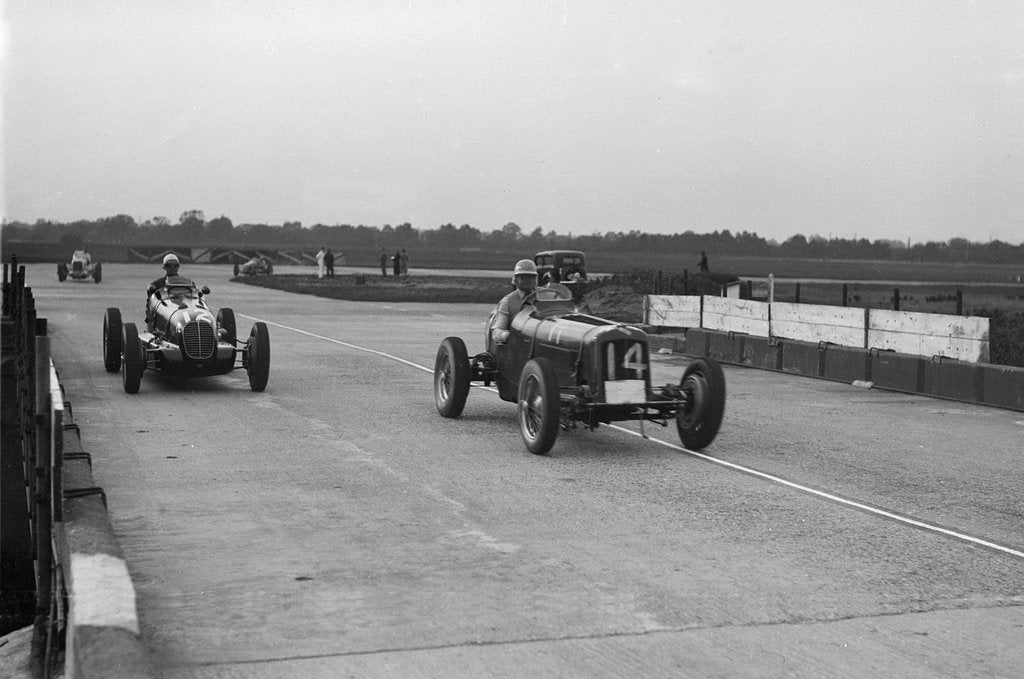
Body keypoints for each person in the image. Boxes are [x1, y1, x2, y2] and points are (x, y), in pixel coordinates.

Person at [491, 259, 538, 346]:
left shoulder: (545, 296)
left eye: (531, 277)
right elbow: (497, 331)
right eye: (523, 277)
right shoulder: (507, 301)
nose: (527, 280)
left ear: (535, 279)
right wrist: (508, 336)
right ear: (516, 280)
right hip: (518, 347)